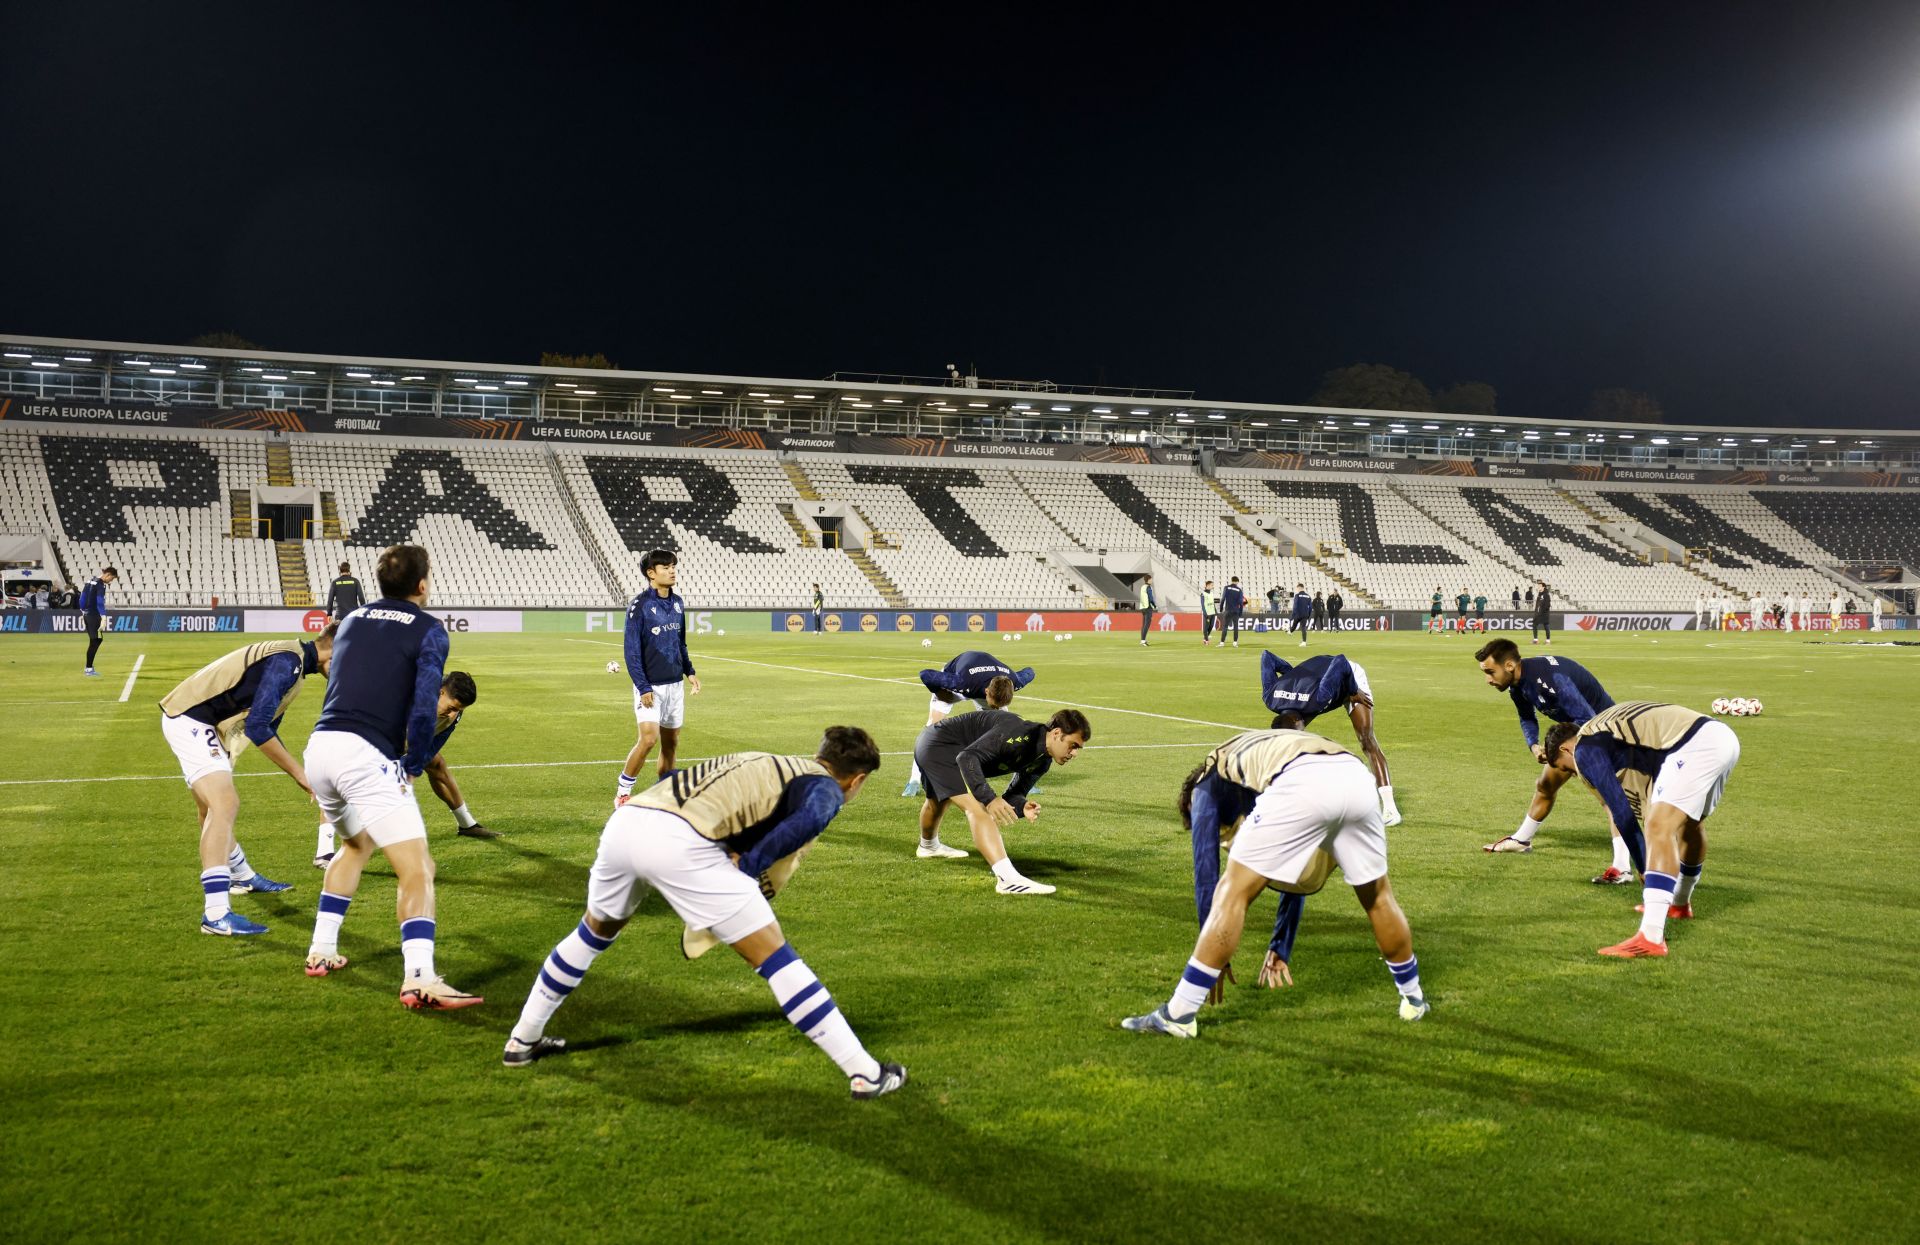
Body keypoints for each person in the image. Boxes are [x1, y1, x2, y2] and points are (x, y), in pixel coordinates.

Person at [502, 727, 907, 1099]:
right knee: (776, 958)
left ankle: (522, 1039)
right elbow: (808, 820)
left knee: (592, 934)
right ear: (857, 780)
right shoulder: (828, 789)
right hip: (682, 841)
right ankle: (865, 1073)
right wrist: (746, 870)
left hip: (628, 823)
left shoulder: (768, 760)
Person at [1120, 728, 1428, 1037]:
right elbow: (1294, 870)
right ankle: (1414, 999)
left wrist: (1213, 951)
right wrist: (1281, 944)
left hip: (1304, 780)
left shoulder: (1207, 783)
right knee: (1378, 899)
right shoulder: (1255, 767)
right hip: (1357, 778)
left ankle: (1180, 1014)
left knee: (1233, 892)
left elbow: (1206, 870)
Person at [300, 543, 479, 1009]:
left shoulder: (351, 621)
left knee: (356, 845)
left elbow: (334, 672)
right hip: (366, 757)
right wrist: (415, 762)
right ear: (423, 584)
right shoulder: (430, 629)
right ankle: (419, 978)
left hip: (320, 747)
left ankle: (321, 951)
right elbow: (424, 705)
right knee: (418, 868)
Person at [160, 628, 335, 935]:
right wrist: (301, 776)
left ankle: (241, 876)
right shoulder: (288, 662)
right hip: (191, 720)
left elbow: (264, 726)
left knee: (210, 809)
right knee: (225, 803)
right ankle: (215, 913)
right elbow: (258, 728)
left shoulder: (293, 664)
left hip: (198, 720)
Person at [1544, 700, 1740, 958]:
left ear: (1566, 750)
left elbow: (1621, 812)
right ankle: (1679, 904)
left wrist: (1643, 863)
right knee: (1689, 826)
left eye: (1564, 767)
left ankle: (1651, 936)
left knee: (1658, 826)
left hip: (1694, 744)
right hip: (1720, 737)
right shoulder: (1602, 731)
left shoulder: (1584, 749)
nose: (1572, 774)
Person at [1473, 638, 1638, 882]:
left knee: (1609, 798)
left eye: (1490, 672)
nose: (1488, 679)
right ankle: (1521, 840)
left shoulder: (1550, 680)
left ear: (1509, 665)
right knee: (1545, 785)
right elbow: (1526, 717)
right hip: (1575, 733)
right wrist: (1534, 745)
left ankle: (1622, 867)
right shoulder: (1517, 685)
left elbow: (1587, 718)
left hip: (1603, 732)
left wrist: (1574, 755)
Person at [314, 670, 492, 864]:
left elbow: (431, 747)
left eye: (458, 710)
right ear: (440, 692)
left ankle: (466, 824)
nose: (452, 713)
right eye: (451, 707)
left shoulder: (453, 712)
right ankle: (324, 852)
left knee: (436, 764)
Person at [911, 706, 1091, 894]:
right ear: (1056, 733)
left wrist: (1022, 806)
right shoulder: (1019, 734)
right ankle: (1008, 880)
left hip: (938, 745)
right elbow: (967, 757)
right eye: (1073, 745)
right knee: (977, 809)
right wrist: (989, 799)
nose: (1075, 753)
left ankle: (928, 846)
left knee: (938, 800)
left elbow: (1014, 794)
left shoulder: (1042, 761)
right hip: (940, 745)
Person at [1260, 650, 1402, 825]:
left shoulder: (1318, 698)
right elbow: (1267, 657)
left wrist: (1353, 689)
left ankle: (1390, 810)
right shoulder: (1270, 696)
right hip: (1318, 685)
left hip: (1348, 679)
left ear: (1298, 720)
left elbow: (1341, 661)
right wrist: (1293, 676)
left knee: (1366, 740)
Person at [615, 550, 702, 806]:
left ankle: (665, 794)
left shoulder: (678, 602)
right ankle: (622, 792)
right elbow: (631, 651)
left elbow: (680, 642)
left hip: (675, 685)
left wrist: (690, 671)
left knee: (671, 743)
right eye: (665, 567)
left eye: (673, 566)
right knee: (649, 738)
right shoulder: (639, 606)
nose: (671, 570)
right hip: (650, 686)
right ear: (650, 574)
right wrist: (643, 687)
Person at [901, 654, 1035, 799]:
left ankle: (1021, 776)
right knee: (932, 729)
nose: (996, 709)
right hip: (956, 685)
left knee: (1009, 730)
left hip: (982, 684)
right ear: (987, 692)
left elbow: (1030, 672)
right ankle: (913, 780)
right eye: (994, 705)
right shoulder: (960, 682)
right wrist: (939, 692)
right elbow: (926, 675)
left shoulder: (1014, 681)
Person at [79, 567, 117, 676]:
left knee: (97, 640)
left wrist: (83, 611)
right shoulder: (100, 585)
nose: (111, 581)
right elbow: (100, 601)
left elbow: (82, 597)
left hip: (88, 614)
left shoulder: (90, 581)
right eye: (112, 579)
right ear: (108, 575)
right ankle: (89, 668)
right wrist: (104, 616)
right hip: (94, 615)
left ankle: (89, 667)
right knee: (95, 641)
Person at [1221, 577, 1246, 647]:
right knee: (1235, 627)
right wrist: (1240, 612)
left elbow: (1223, 599)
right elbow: (1241, 602)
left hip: (1227, 610)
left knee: (1225, 627)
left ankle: (1222, 642)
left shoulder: (1226, 588)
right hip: (1236, 611)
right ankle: (1235, 642)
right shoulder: (1239, 590)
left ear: (1231, 581)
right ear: (1237, 582)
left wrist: (1221, 608)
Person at [1531, 580, 1553, 645]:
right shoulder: (1539, 595)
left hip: (1544, 614)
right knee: (1534, 624)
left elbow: (1548, 605)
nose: (1538, 587)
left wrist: (1542, 611)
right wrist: (1536, 611)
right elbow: (1537, 604)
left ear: (1543, 587)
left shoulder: (1546, 595)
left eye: (1540, 586)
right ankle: (1535, 640)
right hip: (1538, 614)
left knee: (1546, 626)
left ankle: (1548, 640)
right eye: (1538, 586)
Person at [1138, 574, 1157, 646]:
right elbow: (1150, 598)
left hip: (1142, 607)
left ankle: (1142, 640)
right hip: (1148, 607)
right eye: (1151, 579)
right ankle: (1143, 641)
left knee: (1143, 625)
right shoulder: (1148, 587)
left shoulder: (1143, 587)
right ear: (1148, 579)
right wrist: (1154, 606)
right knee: (1147, 624)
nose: (1152, 580)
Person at [1199, 580, 1218, 646]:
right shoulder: (1203, 594)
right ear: (1208, 585)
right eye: (1212, 585)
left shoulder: (1212, 593)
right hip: (1207, 613)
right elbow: (1202, 604)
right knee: (1205, 627)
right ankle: (1206, 640)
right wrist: (1205, 613)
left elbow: (1213, 603)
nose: (1212, 586)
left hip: (1212, 612)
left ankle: (1205, 638)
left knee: (1211, 626)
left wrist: (1216, 611)